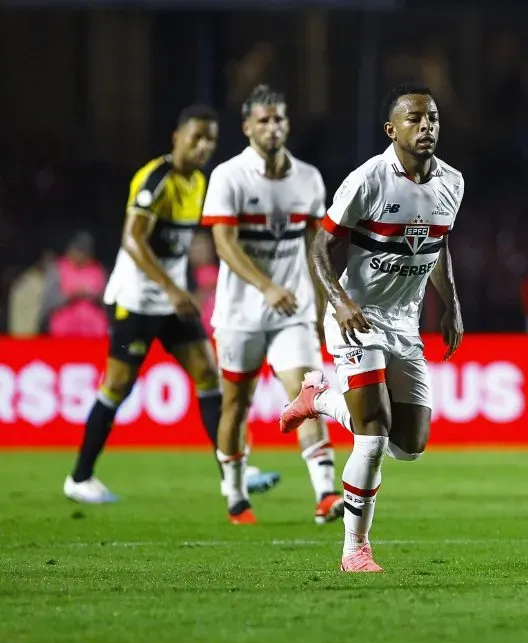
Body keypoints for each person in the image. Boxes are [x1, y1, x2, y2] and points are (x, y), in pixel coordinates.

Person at [278, 84, 465, 572]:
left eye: (434, 119)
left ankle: (317, 399)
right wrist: (338, 303)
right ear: (392, 130)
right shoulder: (368, 179)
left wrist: (451, 304)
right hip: (356, 318)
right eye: (416, 119)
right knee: (374, 435)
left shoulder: (453, 182)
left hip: (405, 324)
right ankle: (354, 549)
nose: (427, 127)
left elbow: (439, 246)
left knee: (411, 445)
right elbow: (318, 248)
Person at [63, 105, 222, 503]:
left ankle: (233, 472)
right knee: (116, 385)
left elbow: (175, 244)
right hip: (137, 299)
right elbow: (132, 240)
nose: (202, 146)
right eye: (196, 137)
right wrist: (172, 287)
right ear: (177, 136)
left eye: (210, 140)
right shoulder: (156, 177)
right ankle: (80, 478)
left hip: (170, 301)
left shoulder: (199, 182)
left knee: (207, 373)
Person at [201, 84, 339, 525]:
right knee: (236, 405)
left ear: (287, 124)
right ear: (247, 127)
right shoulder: (229, 176)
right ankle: (235, 493)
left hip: (293, 312)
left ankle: (325, 494)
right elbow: (223, 243)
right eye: (263, 120)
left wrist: (322, 308)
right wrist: (266, 287)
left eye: (278, 118)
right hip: (241, 313)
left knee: (309, 394)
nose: (272, 126)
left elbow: (316, 247)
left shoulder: (309, 179)